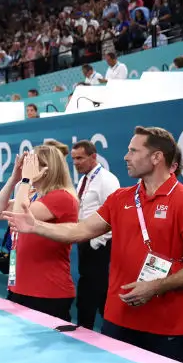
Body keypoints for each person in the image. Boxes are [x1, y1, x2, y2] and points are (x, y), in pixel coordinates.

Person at [5, 126, 183, 363]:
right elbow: (81, 229)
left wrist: (157, 286)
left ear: (157, 157)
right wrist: (34, 226)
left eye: (133, 151)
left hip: (167, 326)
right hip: (118, 319)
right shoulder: (121, 198)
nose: (126, 157)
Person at [0, 145, 79, 320]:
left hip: (46, 291)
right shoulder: (34, 196)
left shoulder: (62, 197)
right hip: (20, 287)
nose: (27, 169)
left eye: (32, 164)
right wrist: (15, 177)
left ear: (46, 169)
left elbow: (19, 215)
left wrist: (25, 180)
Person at [70, 140, 121, 329]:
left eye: (80, 158)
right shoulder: (84, 179)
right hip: (85, 242)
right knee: (87, 290)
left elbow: (115, 215)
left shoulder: (107, 180)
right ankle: (84, 329)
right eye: (74, 158)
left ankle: (111, 333)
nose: (76, 163)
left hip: (100, 246)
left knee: (99, 291)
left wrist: (97, 242)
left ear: (93, 157)